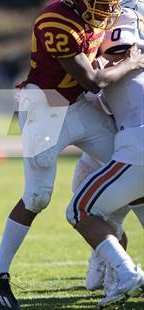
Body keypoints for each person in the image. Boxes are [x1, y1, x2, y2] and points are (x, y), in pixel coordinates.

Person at [0, 0, 144, 309]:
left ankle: (114, 261)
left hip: (79, 105)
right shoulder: (55, 20)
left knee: (131, 171)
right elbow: (93, 80)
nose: (104, 10)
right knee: (38, 197)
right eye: (98, 4)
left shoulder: (99, 15)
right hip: (46, 109)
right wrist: (131, 63)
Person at [66, 8, 144, 308]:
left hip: (137, 144)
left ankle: (125, 273)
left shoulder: (120, 46)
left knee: (78, 210)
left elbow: (96, 82)